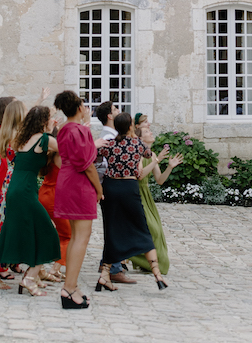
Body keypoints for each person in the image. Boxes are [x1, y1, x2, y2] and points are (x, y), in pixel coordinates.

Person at [0, 105, 62, 296]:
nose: (52, 120)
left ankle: (30, 274)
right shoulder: (44, 139)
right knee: (47, 233)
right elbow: (68, 150)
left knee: (21, 230)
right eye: (50, 118)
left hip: (15, 188)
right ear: (43, 121)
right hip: (25, 191)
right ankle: (30, 278)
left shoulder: (22, 138)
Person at [96, 112, 168, 292]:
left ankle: (104, 275)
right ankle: (157, 274)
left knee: (112, 231)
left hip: (111, 188)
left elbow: (94, 157)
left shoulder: (109, 144)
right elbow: (148, 153)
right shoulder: (137, 144)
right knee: (142, 228)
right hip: (129, 187)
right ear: (130, 127)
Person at [53, 91, 103, 309]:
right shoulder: (78, 130)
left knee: (76, 237)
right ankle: (69, 287)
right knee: (82, 237)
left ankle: (71, 285)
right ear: (79, 108)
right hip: (79, 184)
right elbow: (87, 165)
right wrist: (99, 189)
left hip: (67, 180)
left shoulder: (64, 129)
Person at [129, 115, 181, 275]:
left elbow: (159, 180)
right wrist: (157, 160)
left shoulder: (151, 154)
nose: (150, 132)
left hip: (146, 194)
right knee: (151, 228)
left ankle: (151, 262)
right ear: (140, 137)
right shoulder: (138, 152)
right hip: (136, 193)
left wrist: (170, 167)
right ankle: (130, 255)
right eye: (146, 131)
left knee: (156, 229)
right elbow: (140, 175)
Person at [0, 97, 25, 288]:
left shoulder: (8, 132)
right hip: (13, 180)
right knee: (9, 222)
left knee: (10, 221)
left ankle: (8, 262)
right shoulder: (15, 136)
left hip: (10, 178)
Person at [93, 101, 129, 284]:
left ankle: (107, 262)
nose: (118, 111)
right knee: (116, 226)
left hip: (109, 183)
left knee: (114, 225)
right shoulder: (109, 137)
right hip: (111, 183)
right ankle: (114, 267)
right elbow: (107, 164)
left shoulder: (111, 135)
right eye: (115, 109)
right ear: (109, 115)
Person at [37, 105, 69, 282]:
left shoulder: (49, 152)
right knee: (67, 234)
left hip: (45, 192)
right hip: (54, 196)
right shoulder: (58, 154)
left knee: (56, 232)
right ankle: (55, 268)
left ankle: (46, 266)